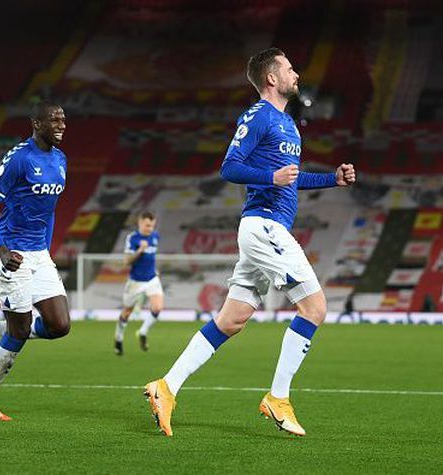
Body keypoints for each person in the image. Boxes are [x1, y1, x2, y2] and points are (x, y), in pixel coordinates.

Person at [144, 47, 356, 437]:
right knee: (314, 308)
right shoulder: (259, 116)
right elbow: (229, 167)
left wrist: (332, 180)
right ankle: (277, 398)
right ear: (272, 78)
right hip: (264, 227)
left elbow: (290, 178)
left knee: (232, 320)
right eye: (290, 68)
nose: (297, 73)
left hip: (269, 228)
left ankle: (166, 387)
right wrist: (268, 179)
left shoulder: (288, 124)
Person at [0, 101, 69, 421]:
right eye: (55, 120)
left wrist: (45, 250)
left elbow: (48, 211)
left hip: (39, 254)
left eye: (64, 119)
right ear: (37, 124)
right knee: (20, 330)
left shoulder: (61, 159)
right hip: (12, 254)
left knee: (59, 325)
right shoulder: (19, 159)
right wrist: (0, 249)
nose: (62, 125)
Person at [114, 211, 163, 355]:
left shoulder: (155, 236)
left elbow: (152, 257)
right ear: (140, 223)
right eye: (147, 225)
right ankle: (119, 338)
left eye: (152, 226)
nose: (150, 229)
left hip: (152, 279)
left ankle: (142, 331)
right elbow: (126, 261)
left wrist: (154, 269)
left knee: (157, 308)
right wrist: (140, 250)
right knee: (127, 311)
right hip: (135, 281)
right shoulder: (133, 238)